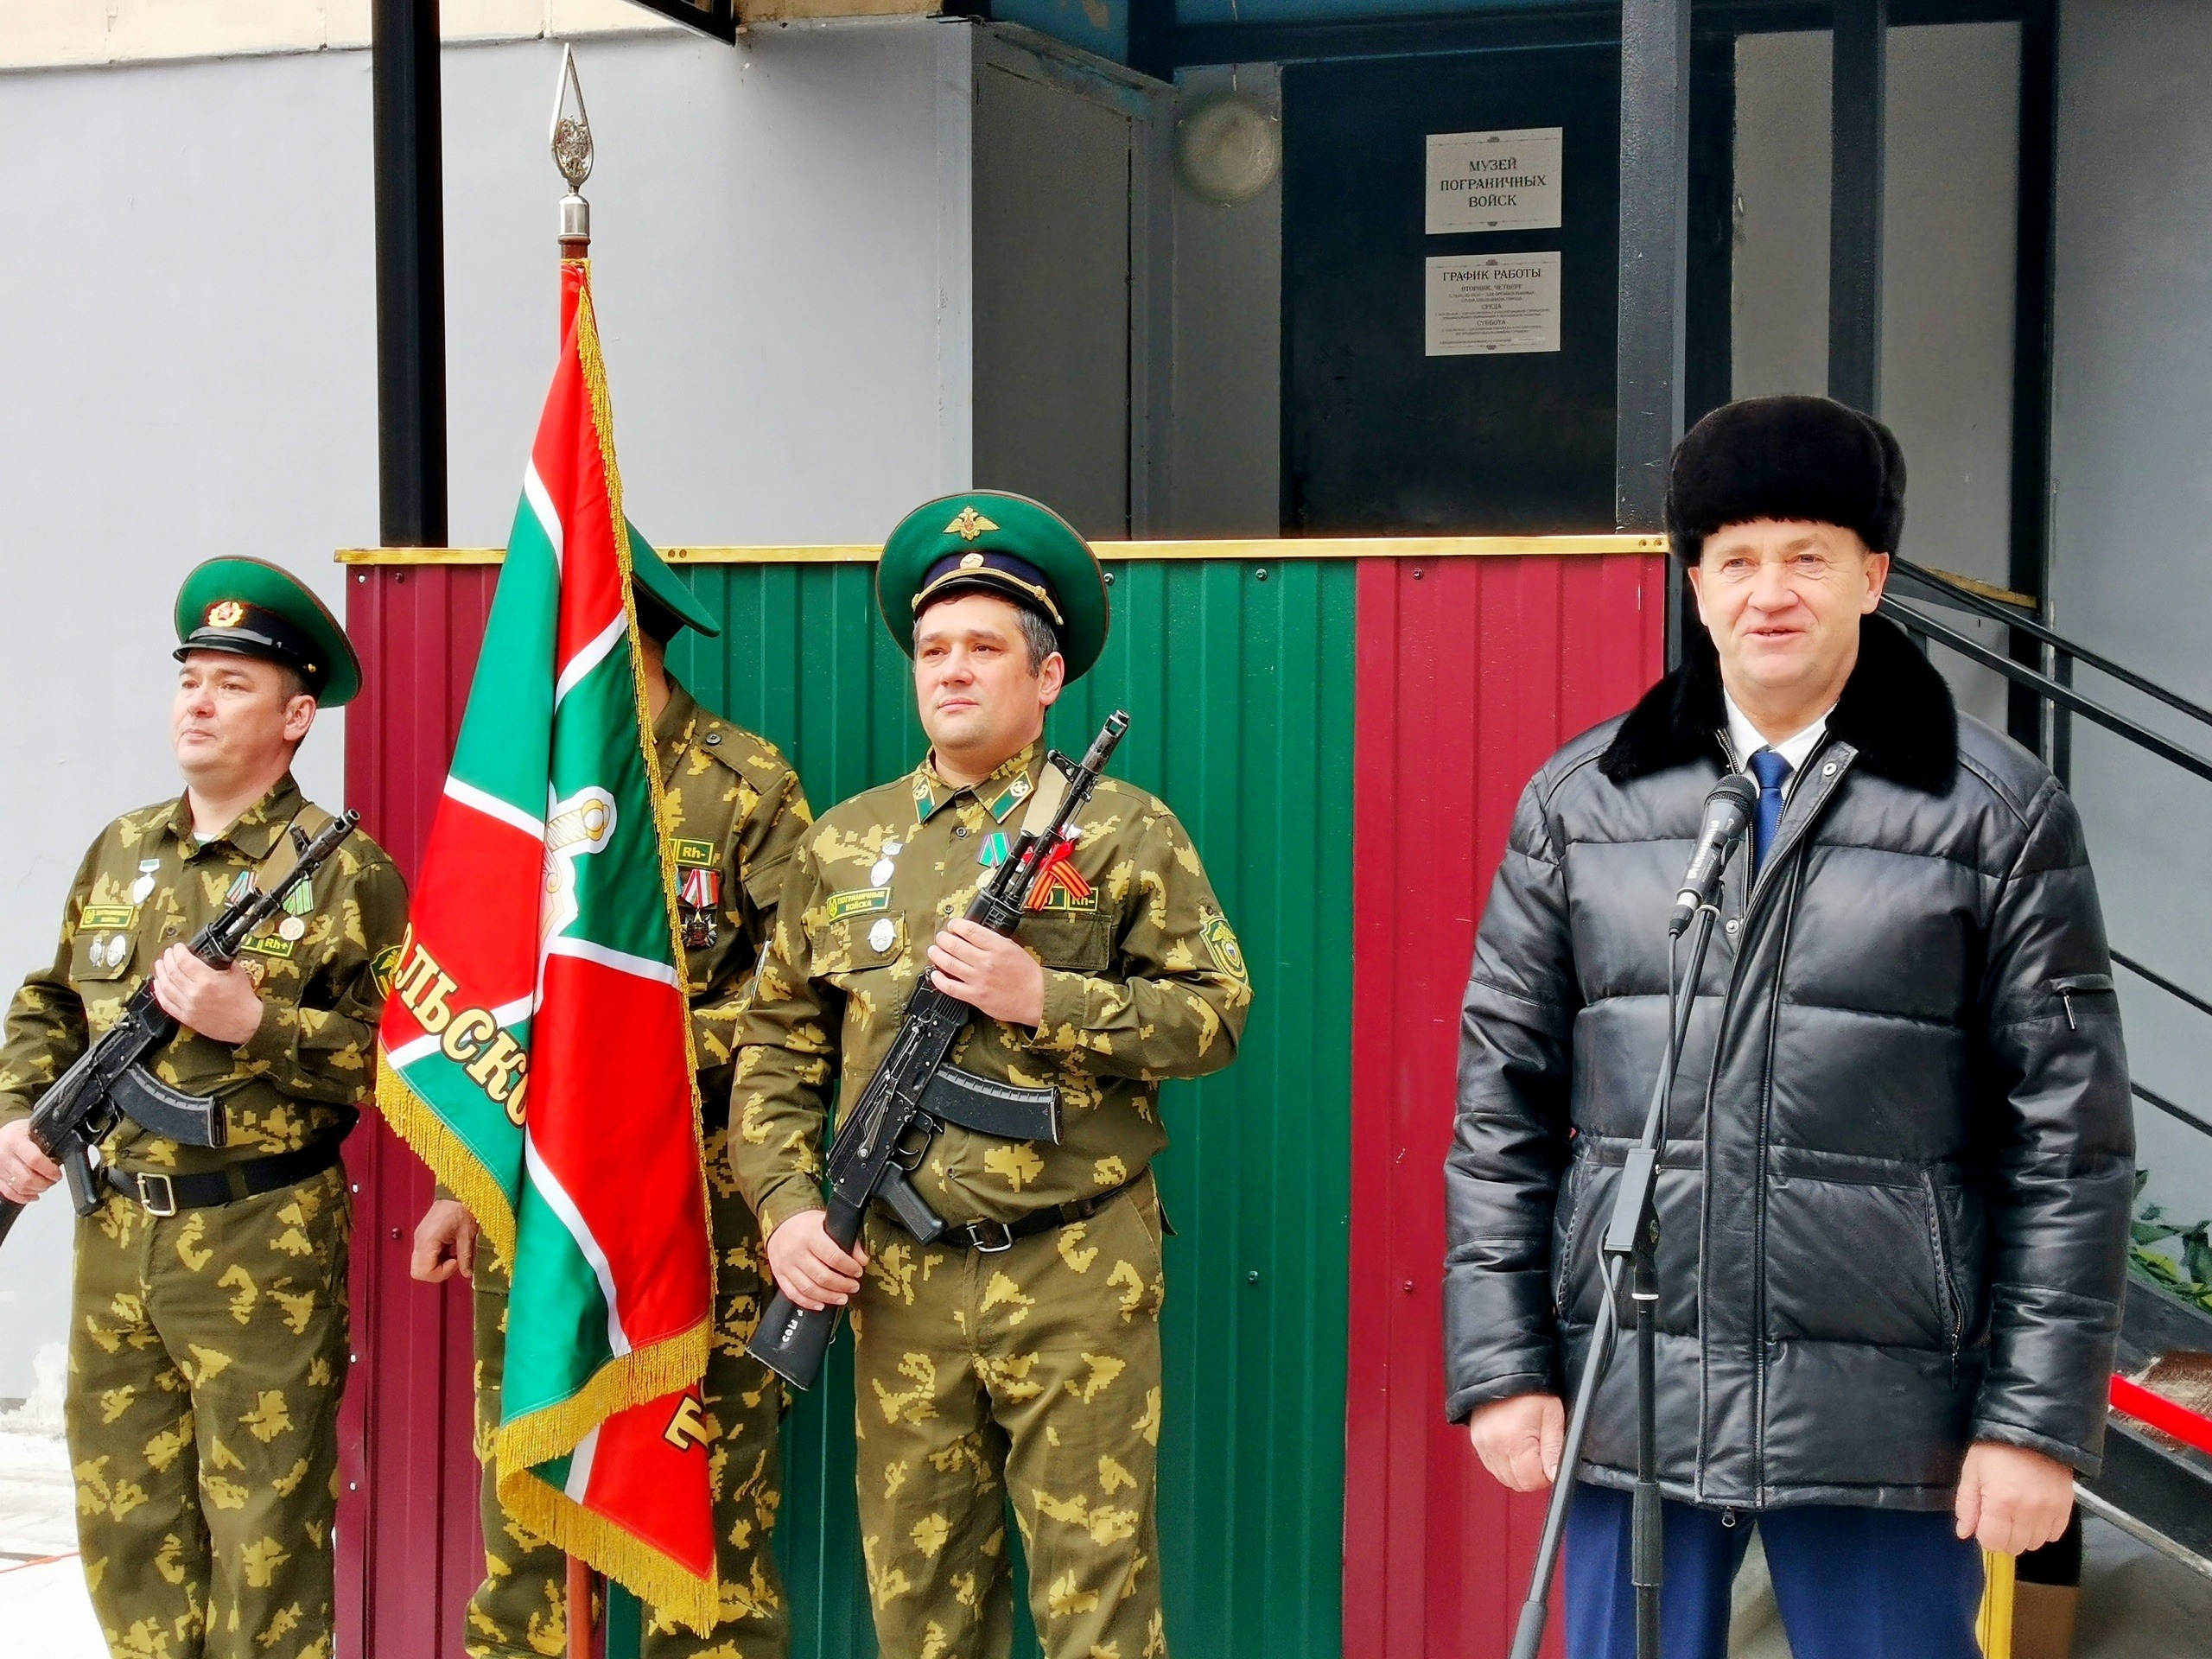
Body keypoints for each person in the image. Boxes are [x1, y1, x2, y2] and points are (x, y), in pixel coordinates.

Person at [1442, 396, 2134, 1659]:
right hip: (1633, 1396)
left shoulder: (1996, 818)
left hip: (1884, 1412)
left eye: (1808, 555)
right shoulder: (1584, 806)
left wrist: (2033, 1422)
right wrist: (1505, 1367)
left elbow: (2069, 1147)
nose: (1772, 592)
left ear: (1872, 575)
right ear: (1695, 582)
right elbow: (1502, 1112)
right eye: (1737, 558)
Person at [729, 491, 1253, 1659]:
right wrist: (785, 1208)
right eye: (933, 649)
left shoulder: (1121, 830)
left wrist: (1044, 997)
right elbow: (773, 1047)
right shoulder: (843, 846)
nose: (952, 671)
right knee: (921, 1612)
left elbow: (1216, 1018)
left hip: (1077, 1270)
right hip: (897, 1282)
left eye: (983, 647)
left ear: (1049, 673)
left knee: (1097, 1606)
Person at [409, 536, 812, 1658]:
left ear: (620, 629)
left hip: (696, 1215)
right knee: (530, 1515)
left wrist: (640, 1064)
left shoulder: (743, 784)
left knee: (709, 1532)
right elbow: (483, 1000)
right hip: (543, 1213)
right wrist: (460, 1178)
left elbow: (802, 998)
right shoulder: (520, 789)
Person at [0, 558, 408, 1659]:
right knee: (126, 1519)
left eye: (232, 683)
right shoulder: (121, 848)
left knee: (263, 1528)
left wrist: (256, 1023)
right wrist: (18, 1116)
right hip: (113, 1233)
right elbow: (47, 1002)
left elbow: (410, 1066)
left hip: (256, 1238)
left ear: (296, 716)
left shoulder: (345, 873)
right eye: (190, 677)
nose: (197, 700)